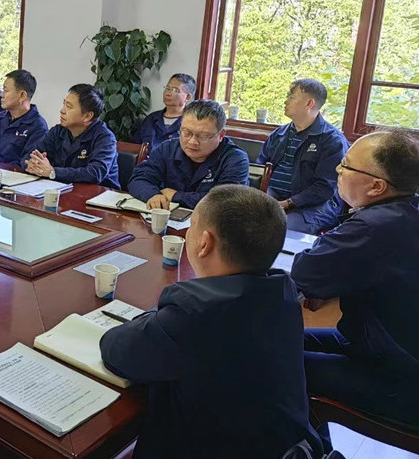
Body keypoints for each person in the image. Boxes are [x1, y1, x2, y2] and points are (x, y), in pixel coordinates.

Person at [100, 185, 322, 459]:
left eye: (191, 225)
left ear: (205, 243)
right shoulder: (283, 291)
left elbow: (115, 350)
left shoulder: (195, 312)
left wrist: (157, 317)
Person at [291, 130, 419, 443]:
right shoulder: (403, 211)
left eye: (347, 165)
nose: (338, 170)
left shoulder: (376, 227)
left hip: (400, 376)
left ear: (377, 186)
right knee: (282, 338)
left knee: (275, 362)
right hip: (376, 342)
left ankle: (309, 449)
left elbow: (306, 272)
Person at [257, 79, 349, 234]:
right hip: (273, 197)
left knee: (279, 229)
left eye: (291, 97)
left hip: (315, 207)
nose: (285, 101)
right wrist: (263, 197)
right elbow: (260, 168)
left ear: (309, 103)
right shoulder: (279, 134)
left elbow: (325, 187)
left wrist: (288, 203)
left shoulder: (332, 141)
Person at [128, 99, 249, 209]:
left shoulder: (235, 159)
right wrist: (153, 196)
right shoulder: (167, 148)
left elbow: (225, 202)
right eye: (186, 132)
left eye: (203, 136)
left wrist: (176, 196)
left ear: (221, 135)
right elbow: (139, 179)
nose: (192, 142)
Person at [25, 84, 120, 189]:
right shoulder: (57, 131)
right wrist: (33, 163)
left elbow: (95, 173)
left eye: (69, 107)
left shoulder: (105, 138)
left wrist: (53, 172)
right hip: (63, 190)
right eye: (64, 104)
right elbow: (31, 155)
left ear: (87, 116)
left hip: (99, 194)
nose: (62, 110)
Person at [0, 69, 48, 168]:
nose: (1, 95)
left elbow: (26, 165)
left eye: (6, 90)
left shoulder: (38, 127)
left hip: (9, 176)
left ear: (22, 96)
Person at [132, 73, 196, 148]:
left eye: (175, 90)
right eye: (167, 88)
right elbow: (135, 147)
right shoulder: (151, 119)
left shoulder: (193, 123)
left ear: (187, 97)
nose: (168, 93)